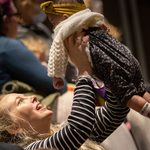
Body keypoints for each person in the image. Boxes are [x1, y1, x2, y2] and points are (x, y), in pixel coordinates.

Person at [40, 0, 150, 118]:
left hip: (106, 63)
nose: (54, 27)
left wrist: (57, 75)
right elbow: (103, 26)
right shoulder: (90, 19)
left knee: (126, 95)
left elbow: (57, 54)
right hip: (125, 55)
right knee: (140, 89)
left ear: (65, 17)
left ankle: (147, 111)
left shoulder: (63, 31)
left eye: (53, 23)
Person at [0, 76, 129, 150]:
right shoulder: (33, 149)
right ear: (13, 127)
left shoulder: (63, 130)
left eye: (26, 96)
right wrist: (83, 75)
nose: (32, 97)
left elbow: (116, 110)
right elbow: (79, 128)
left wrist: (100, 72)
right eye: (20, 101)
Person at [0, 0, 67, 96]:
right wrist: (43, 65)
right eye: (16, 15)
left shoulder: (41, 28)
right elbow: (59, 85)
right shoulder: (8, 46)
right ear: (7, 20)